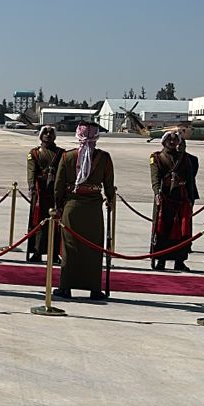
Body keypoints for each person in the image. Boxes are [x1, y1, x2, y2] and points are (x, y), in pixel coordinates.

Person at [53, 121, 115, 299]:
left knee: (70, 247)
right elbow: (109, 184)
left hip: (72, 206)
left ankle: (66, 287)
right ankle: (94, 288)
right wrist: (110, 200)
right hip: (93, 208)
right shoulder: (104, 158)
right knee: (93, 248)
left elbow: (58, 186)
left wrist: (58, 206)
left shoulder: (67, 157)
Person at [149, 130, 199, 271]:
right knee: (162, 230)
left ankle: (179, 261)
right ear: (164, 142)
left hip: (181, 198)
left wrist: (190, 198)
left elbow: (190, 179)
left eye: (175, 139)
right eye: (169, 140)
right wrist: (157, 193)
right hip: (164, 198)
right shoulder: (156, 157)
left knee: (182, 231)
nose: (172, 142)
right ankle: (161, 260)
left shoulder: (185, 158)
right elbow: (155, 177)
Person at [25, 126, 64, 263]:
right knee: (38, 223)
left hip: (56, 193)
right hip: (39, 194)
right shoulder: (34, 153)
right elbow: (31, 171)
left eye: (51, 133)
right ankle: (37, 252)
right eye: (45, 133)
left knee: (57, 224)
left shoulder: (61, 153)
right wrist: (31, 187)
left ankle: (54, 253)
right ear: (41, 136)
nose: (48, 135)